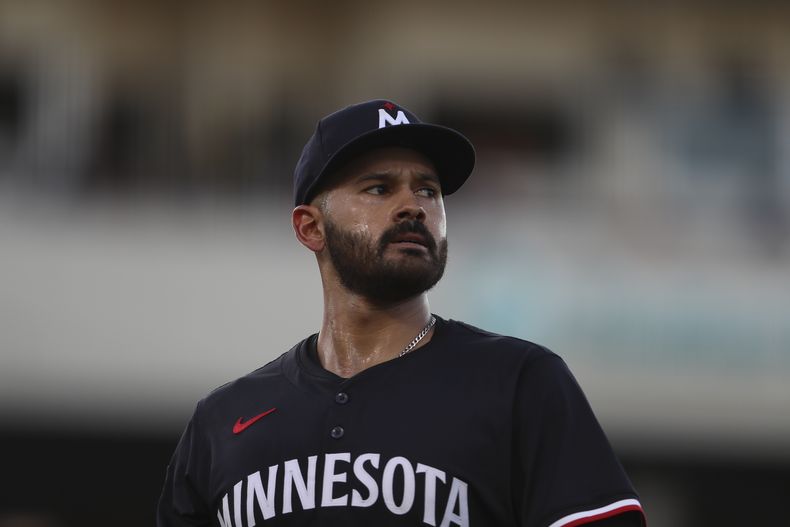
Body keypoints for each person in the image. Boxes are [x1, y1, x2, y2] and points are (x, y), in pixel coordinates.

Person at [157, 100, 646, 527]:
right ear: (310, 227)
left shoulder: (519, 382)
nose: (412, 206)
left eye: (428, 191)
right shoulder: (222, 422)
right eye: (378, 188)